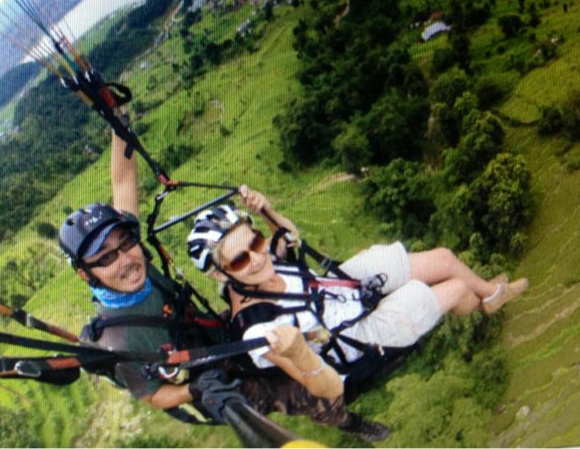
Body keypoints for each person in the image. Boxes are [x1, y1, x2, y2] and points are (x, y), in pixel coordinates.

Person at [58, 111, 391, 441]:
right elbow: (154, 395)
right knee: (298, 392)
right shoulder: (117, 342)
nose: (125, 260)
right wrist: (193, 389)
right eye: (106, 258)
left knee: (265, 313)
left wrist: (116, 122)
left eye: (126, 243)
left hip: (211, 332)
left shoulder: (130, 255)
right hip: (207, 380)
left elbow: (123, 183)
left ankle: (339, 334)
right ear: (86, 274)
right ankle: (347, 419)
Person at [186, 185, 528, 397]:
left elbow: (289, 238)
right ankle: (479, 299)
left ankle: (491, 297)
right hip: (356, 338)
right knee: (457, 288)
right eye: (240, 260)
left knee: (444, 258)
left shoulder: (264, 262)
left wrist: (266, 210)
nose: (258, 258)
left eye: (256, 242)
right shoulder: (259, 329)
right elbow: (326, 388)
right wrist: (299, 353)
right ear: (219, 274)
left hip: (338, 288)